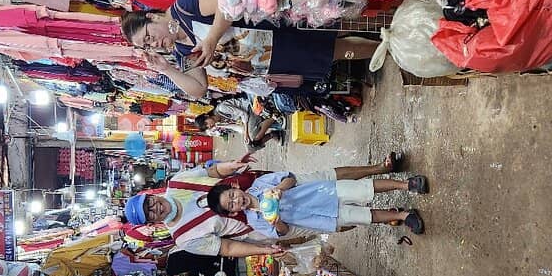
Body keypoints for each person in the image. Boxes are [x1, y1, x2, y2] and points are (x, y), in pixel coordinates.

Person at [119, 0, 375, 99]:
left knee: (336, 26)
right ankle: (389, 49)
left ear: (152, 16)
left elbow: (225, 1)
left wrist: (212, 39)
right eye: (148, 46)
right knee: (336, 52)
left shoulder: (185, 6)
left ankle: (390, 24)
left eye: (149, 37)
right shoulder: (182, 50)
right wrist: (166, 69)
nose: (155, 44)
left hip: (274, 24)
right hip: (270, 57)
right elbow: (198, 89)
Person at [123, 154, 407, 257]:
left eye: (151, 203)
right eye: (150, 214)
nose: (155, 208)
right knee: (331, 221)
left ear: (152, 194)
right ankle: (386, 215)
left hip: (258, 188)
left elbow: (211, 173)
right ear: (152, 223)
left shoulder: (179, 182)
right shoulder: (184, 240)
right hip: (258, 225)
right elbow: (229, 248)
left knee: (327, 178)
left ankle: (377, 168)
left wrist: (231, 166)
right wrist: (264, 249)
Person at [206, 172, 426, 237]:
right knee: (365, 216)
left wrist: (280, 189)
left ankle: (406, 184)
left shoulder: (260, 184)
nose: (236, 201)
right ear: (233, 213)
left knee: (364, 188)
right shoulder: (256, 222)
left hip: (321, 192)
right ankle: (404, 215)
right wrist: (275, 221)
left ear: (234, 187)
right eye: (231, 205)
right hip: (320, 219)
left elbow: (289, 177)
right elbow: (283, 232)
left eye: (232, 195)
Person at [195, 99, 285, 151]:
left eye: (206, 123)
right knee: (250, 148)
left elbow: (243, 114)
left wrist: (246, 133)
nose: (209, 126)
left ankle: (274, 118)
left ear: (206, 116)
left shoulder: (222, 108)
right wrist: (245, 137)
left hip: (250, 109)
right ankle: (272, 134)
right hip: (247, 119)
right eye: (206, 127)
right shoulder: (219, 124)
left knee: (254, 137)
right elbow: (238, 128)